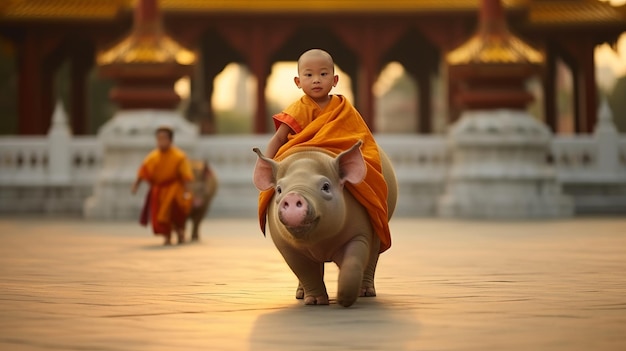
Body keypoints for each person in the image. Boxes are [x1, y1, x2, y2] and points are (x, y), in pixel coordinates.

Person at [258, 49, 392, 252]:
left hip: (333, 168)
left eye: (323, 74)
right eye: (309, 75)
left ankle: (367, 228)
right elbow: (278, 139)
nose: (316, 80)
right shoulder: (296, 110)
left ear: (335, 79)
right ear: (298, 81)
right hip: (303, 167)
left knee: (368, 178)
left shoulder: (344, 108)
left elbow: (361, 140)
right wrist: (266, 164)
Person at [131, 127, 194, 245]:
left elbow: (186, 176)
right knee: (160, 215)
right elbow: (143, 172)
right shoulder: (153, 157)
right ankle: (167, 235)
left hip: (175, 189)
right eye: (159, 139)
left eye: (164, 138)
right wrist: (136, 185)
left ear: (170, 140)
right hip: (159, 190)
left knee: (176, 212)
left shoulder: (179, 156)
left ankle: (180, 232)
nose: (161, 141)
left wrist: (187, 192)